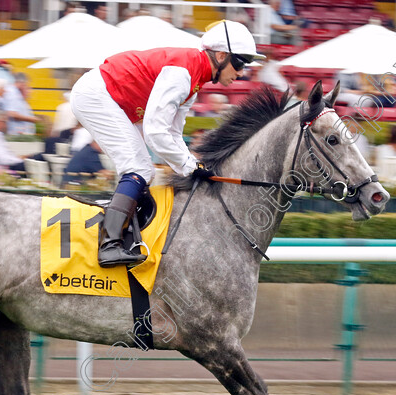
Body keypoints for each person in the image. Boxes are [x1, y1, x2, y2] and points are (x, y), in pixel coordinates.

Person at [70, 20, 264, 267]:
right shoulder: (183, 72)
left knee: (143, 170)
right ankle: (109, 245)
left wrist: (193, 164)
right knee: (138, 168)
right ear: (221, 55)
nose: (241, 72)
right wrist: (189, 167)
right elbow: (155, 132)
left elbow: (173, 133)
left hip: (114, 98)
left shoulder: (194, 81)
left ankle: (126, 232)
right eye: (239, 62)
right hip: (96, 95)